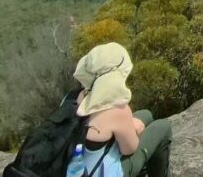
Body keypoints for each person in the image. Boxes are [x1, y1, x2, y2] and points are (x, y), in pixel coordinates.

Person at [74, 43, 172, 177]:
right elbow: (129, 149)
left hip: (77, 167)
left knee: (145, 114)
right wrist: (134, 131)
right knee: (163, 126)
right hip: (104, 173)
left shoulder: (73, 98)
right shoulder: (117, 108)